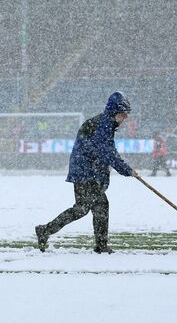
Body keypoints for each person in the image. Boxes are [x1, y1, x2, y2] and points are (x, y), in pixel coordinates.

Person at [35, 91, 138, 254]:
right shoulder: (103, 125)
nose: (125, 117)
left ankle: (99, 245)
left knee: (95, 207)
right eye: (123, 114)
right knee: (85, 208)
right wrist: (126, 169)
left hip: (86, 171)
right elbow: (107, 152)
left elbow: (106, 151)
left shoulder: (106, 123)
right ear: (114, 111)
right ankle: (46, 231)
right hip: (84, 172)